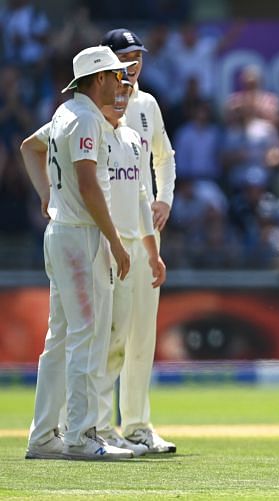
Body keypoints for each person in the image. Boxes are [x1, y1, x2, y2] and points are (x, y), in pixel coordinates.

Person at [22, 79, 168, 456]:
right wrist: (116, 243)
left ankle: (43, 436)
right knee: (89, 337)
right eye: (115, 79)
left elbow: (29, 147)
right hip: (82, 237)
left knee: (60, 339)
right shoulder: (86, 119)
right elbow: (89, 187)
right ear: (98, 79)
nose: (122, 87)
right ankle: (82, 436)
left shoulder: (64, 113)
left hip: (63, 233)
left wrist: (47, 195)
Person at [100, 28, 177, 453]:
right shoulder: (96, 106)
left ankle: (136, 425)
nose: (133, 64)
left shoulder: (146, 104)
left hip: (145, 233)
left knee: (142, 332)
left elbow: (164, 157)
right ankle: (96, 424)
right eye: (124, 56)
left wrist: (164, 199)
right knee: (109, 332)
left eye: (137, 56)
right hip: (108, 232)